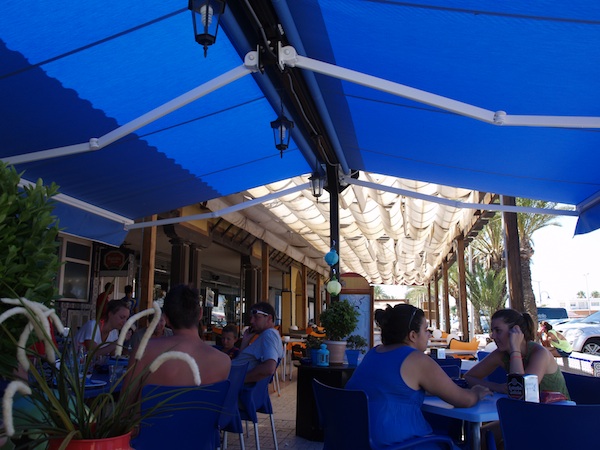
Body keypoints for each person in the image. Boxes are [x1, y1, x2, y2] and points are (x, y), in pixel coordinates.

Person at [345, 304, 491, 449]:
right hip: (401, 445)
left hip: (356, 443)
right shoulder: (417, 359)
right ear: (413, 335)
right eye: (426, 330)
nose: (429, 335)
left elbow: (390, 390)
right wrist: (476, 393)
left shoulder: (373, 354)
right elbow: (464, 400)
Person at [124, 284, 230, 388]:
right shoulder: (223, 362)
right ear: (200, 314)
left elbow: (127, 398)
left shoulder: (143, 352)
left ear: (166, 319)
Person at [464, 309, 570, 399]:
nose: (493, 336)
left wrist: (515, 349)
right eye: (492, 331)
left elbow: (522, 392)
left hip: (557, 413)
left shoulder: (540, 353)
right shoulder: (501, 354)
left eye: (498, 331)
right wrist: (497, 387)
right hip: (528, 412)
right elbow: (469, 377)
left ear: (516, 331)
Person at [233, 302, 284, 383]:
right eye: (251, 317)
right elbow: (241, 361)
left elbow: (269, 368)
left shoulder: (269, 335)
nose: (251, 321)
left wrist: (240, 380)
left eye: (256, 317)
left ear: (269, 318)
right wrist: (246, 341)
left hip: (230, 381)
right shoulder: (267, 335)